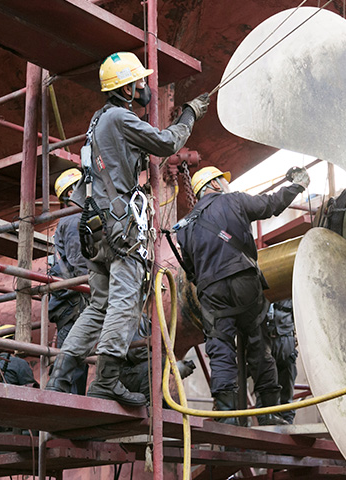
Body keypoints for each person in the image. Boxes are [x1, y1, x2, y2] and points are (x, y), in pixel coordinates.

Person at [46, 51, 209, 407]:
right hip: (122, 231)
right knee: (123, 301)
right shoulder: (121, 117)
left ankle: (60, 376)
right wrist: (189, 115)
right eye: (139, 82)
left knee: (98, 305)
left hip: (98, 229)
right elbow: (167, 144)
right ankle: (107, 379)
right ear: (126, 89)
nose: (144, 87)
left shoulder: (98, 120)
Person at [175, 165, 310, 425]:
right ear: (213, 185)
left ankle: (227, 414)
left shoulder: (184, 227)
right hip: (244, 283)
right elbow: (270, 205)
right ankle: (268, 412)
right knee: (258, 344)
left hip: (211, 292)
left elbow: (189, 268)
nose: (226, 185)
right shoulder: (234, 201)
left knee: (221, 348)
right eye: (222, 182)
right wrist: (297, 186)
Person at [47, 169, 90, 395]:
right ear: (72, 191)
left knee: (75, 357)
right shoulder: (75, 218)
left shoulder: (71, 219)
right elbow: (79, 263)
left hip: (71, 299)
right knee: (74, 357)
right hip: (75, 300)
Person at [261, 299, 298, 424]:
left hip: (285, 339)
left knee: (286, 382)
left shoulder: (289, 291)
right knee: (264, 383)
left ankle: (288, 420)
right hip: (264, 340)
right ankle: (265, 419)